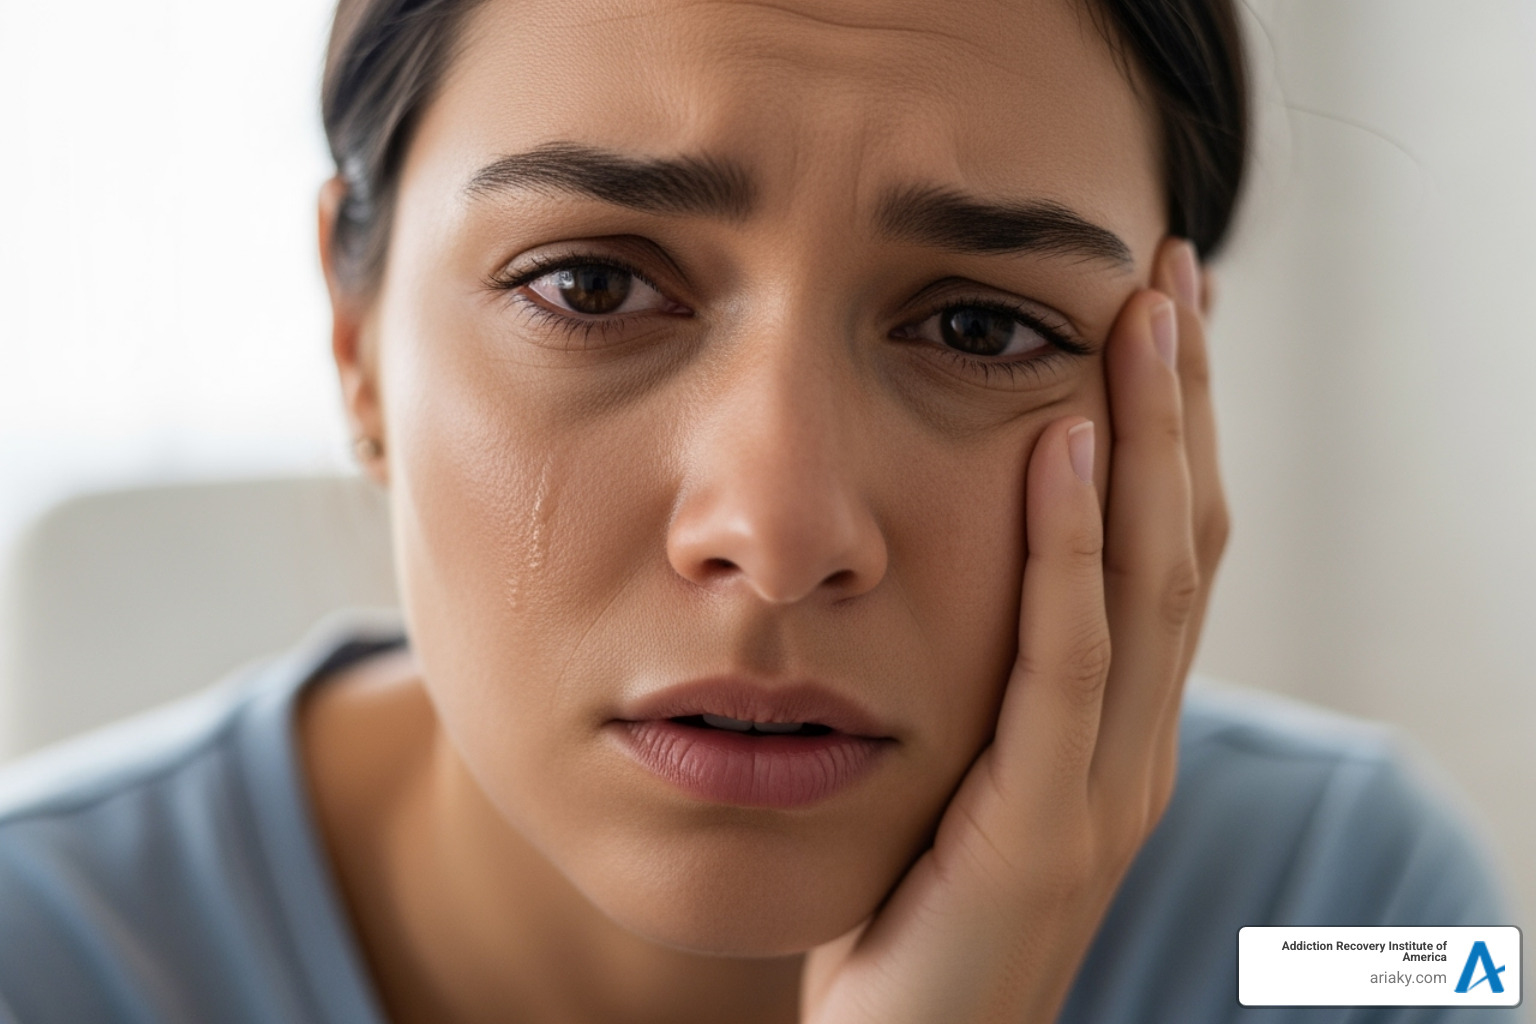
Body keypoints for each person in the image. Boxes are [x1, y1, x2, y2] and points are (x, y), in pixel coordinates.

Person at [0, 0, 1518, 1021]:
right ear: (356, 341)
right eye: (589, 286)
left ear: (1168, 401)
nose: (780, 533)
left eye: (982, 329)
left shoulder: (1356, 926)